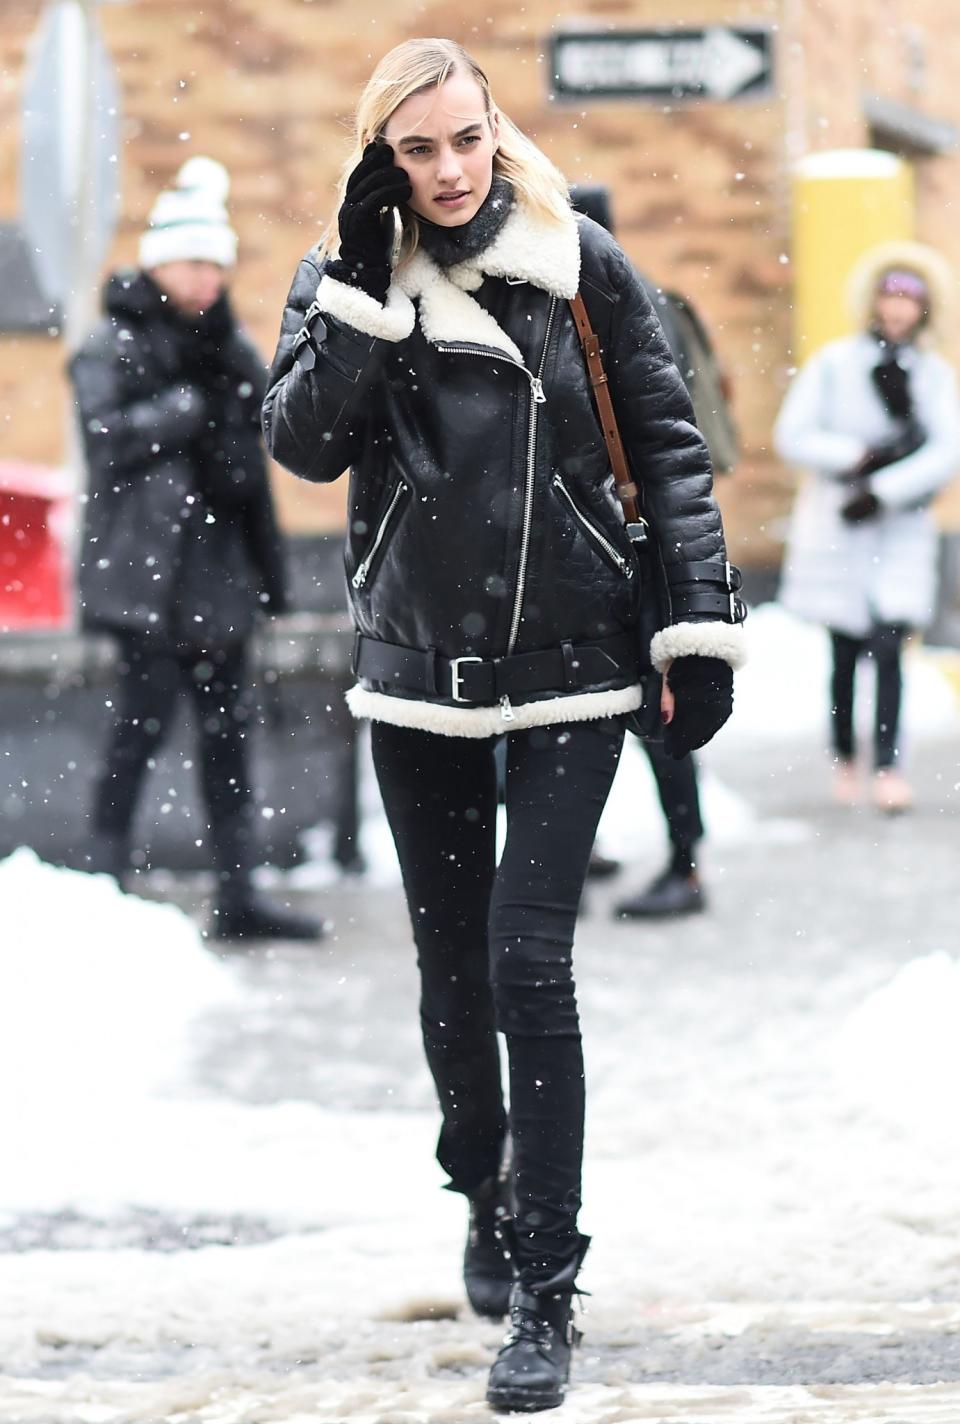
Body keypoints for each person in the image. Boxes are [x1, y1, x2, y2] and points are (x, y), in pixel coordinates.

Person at [262, 39, 745, 1412]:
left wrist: (696, 626)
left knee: (530, 965)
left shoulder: (577, 257)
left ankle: (546, 1287)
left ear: (497, 131)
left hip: (570, 669)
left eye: (467, 139)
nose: (452, 170)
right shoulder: (347, 268)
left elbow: (668, 445)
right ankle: (482, 1178)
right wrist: (358, 289)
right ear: (383, 158)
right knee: (452, 979)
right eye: (418, 150)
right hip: (419, 672)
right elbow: (303, 443)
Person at [71, 156, 323, 941]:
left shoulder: (229, 347)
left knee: (228, 745)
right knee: (135, 735)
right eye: (192, 262)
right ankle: (104, 885)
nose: (207, 279)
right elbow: (107, 437)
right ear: (158, 261)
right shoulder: (110, 343)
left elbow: (264, 435)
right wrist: (187, 407)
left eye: (217, 263)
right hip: (146, 579)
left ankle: (238, 894)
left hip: (218, 577)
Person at [570, 185, 729, 919]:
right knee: (637, 711)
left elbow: (669, 440)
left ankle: (683, 865)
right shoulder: (638, 296)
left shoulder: (614, 307)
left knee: (653, 709)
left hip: (632, 543)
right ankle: (654, 857)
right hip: (628, 540)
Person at [775, 241, 960, 813]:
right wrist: (855, 457)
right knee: (844, 651)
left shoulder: (931, 374)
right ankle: (844, 755)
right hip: (840, 528)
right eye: (891, 295)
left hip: (897, 530)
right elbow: (795, 434)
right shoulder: (835, 364)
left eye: (911, 299)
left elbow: (946, 448)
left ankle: (887, 764)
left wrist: (887, 486)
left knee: (889, 647)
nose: (899, 308)